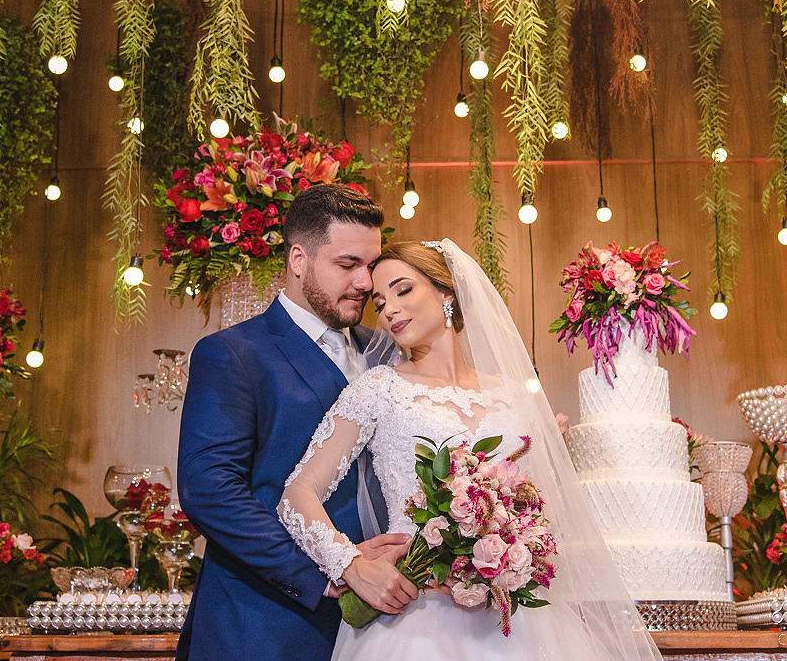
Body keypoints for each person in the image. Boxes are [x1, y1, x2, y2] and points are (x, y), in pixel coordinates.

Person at [278, 240, 663, 661]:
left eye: (403, 290)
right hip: (416, 617)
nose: (389, 310)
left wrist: (515, 557)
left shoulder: (514, 395)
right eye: (380, 302)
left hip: (514, 619)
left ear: (446, 292)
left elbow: (546, 509)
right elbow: (297, 493)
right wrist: (350, 564)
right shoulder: (378, 390)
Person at [175, 185, 411, 661]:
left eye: (371, 265)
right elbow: (210, 490)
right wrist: (333, 570)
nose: (366, 282)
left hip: (385, 625)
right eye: (348, 264)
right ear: (299, 259)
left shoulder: (388, 353)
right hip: (266, 624)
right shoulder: (234, 353)